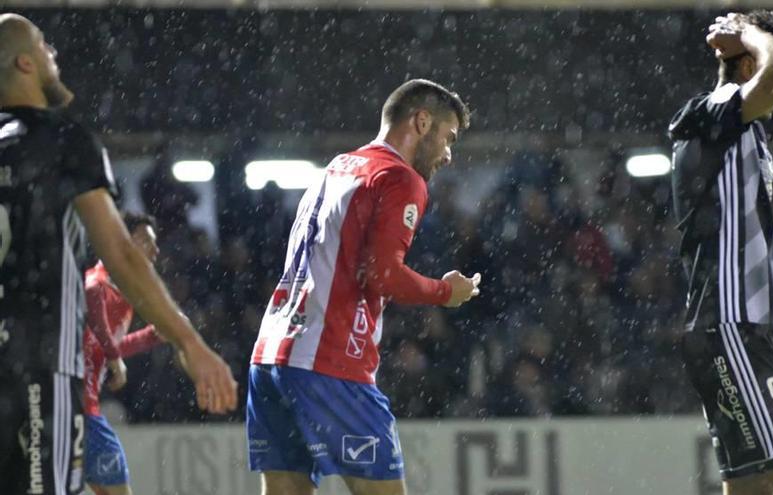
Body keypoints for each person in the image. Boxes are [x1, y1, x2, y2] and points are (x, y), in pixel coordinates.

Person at [0, 14, 237, 495]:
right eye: (45, 46)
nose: (54, 55)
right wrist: (189, 341)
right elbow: (122, 256)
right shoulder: (62, 140)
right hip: (39, 366)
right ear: (24, 61)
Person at [247, 79, 480, 495]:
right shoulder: (400, 178)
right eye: (448, 138)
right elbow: (382, 274)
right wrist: (446, 293)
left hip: (270, 357)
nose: (447, 154)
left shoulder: (336, 168)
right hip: (330, 360)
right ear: (422, 122)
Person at [668, 10, 773, 495]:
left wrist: (753, 35)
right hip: (733, 326)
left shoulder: (746, 124)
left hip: (743, 328)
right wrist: (749, 35)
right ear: (750, 70)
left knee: (752, 489)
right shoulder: (716, 110)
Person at [83, 212, 168, 495]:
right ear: (121, 243)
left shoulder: (122, 290)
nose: (155, 250)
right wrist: (113, 355)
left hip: (80, 405)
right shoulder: (100, 281)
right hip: (80, 405)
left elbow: (100, 347)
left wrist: (149, 338)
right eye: (145, 241)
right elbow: (91, 296)